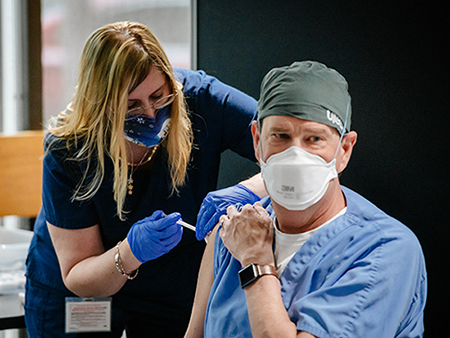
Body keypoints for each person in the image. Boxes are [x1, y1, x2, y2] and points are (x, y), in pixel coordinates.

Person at [24, 21, 264, 338]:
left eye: (158, 95)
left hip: (169, 285)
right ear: (102, 105)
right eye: (132, 105)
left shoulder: (200, 100)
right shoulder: (70, 149)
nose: (151, 114)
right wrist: (130, 252)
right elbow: (77, 272)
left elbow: (291, 149)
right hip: (83, 292)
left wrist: (242, 192)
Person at [185, 61, 427, 338]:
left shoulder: (384, 250)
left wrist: (255, 258)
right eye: (281, 136)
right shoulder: (233, 232)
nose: (295, 155)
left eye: (314, 139)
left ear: (344, 150)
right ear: (257, 140)